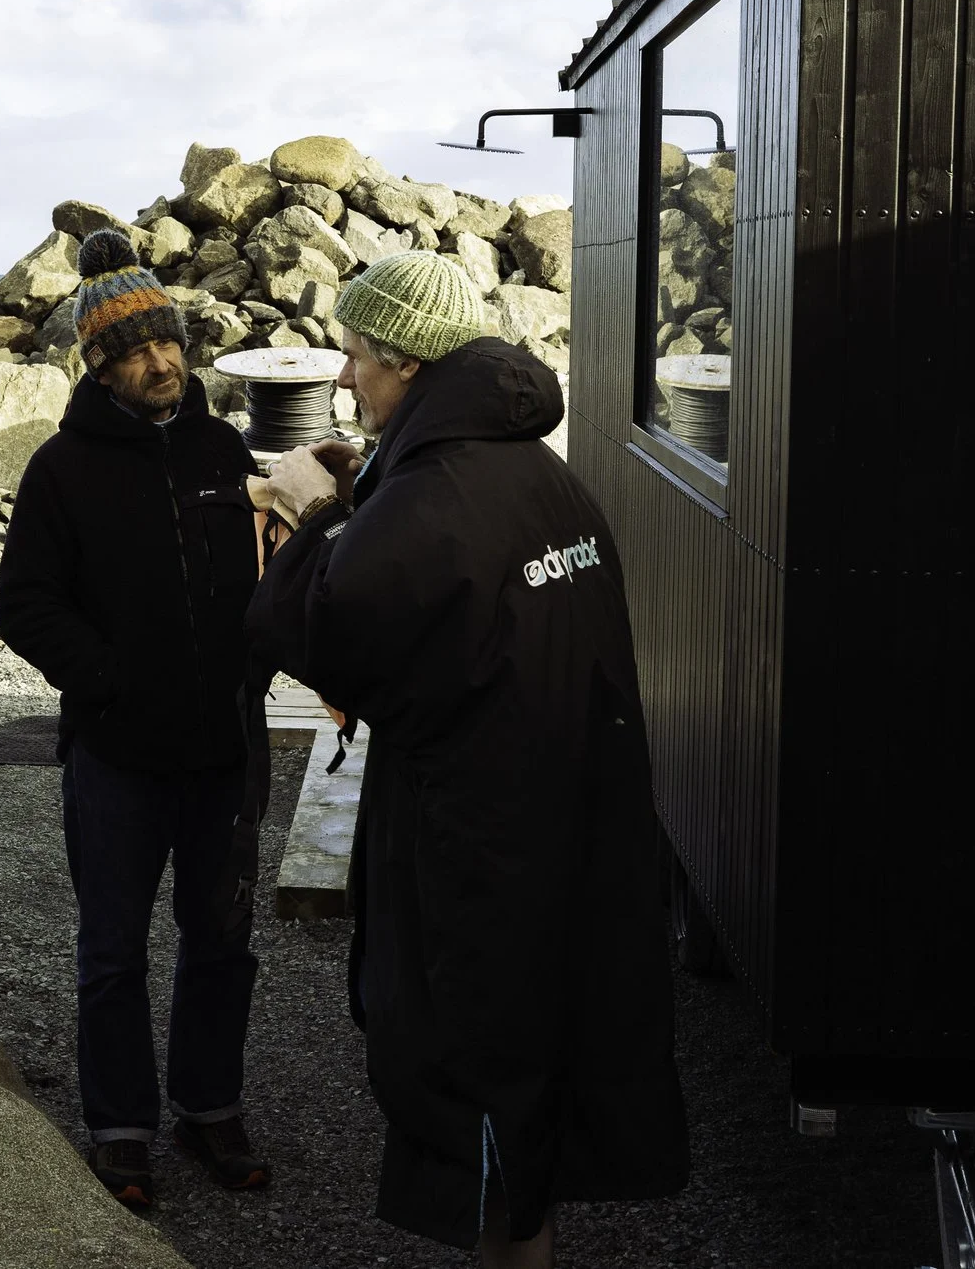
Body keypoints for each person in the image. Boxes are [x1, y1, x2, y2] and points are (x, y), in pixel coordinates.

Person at [248, 250, 688, 1267]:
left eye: (355, 355)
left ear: (404, 362)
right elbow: (456, 614)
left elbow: (318, 631)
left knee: (480, 1084)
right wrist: (370, 492)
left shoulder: (438, 490)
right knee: (537, 1075)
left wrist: (310, 510)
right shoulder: (535, 471)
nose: (345, 378)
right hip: (565, 828)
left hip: (480, 853)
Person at [0, 228, 275, 1211]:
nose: (162, 361)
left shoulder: (221, 447)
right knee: (111, 950)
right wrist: (108, 678)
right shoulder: (63, 468)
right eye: (137, 349)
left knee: (221, 939)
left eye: (169, 342)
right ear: (101, 365)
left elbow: (258, 577)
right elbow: (25, 605)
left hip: (223, 752)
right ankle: (121, 1124)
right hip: (115, 757)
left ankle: (209, 1103)